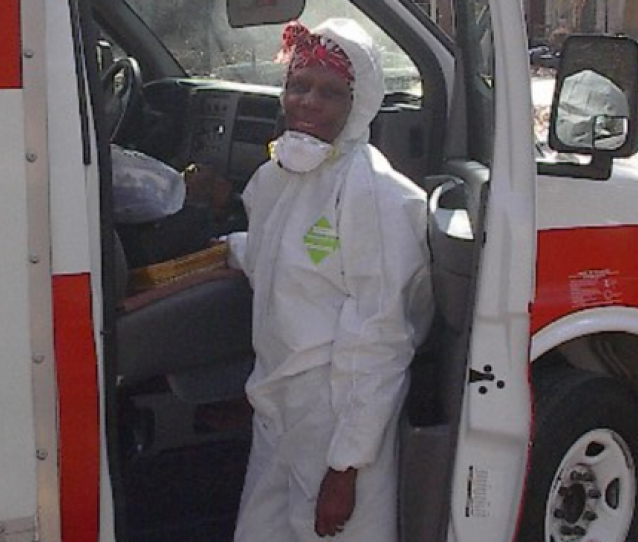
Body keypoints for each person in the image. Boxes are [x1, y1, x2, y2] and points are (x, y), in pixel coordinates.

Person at [224, 18, 434, 542]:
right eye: (298, 86)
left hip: (333, 421)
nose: (308, 103)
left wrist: (346, 467)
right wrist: (221, 253)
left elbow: (381, 339)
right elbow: (278, 260)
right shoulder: (279, 177)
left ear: (357, 104)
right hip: (275, 412)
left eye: (330, 92)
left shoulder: (378, 195)